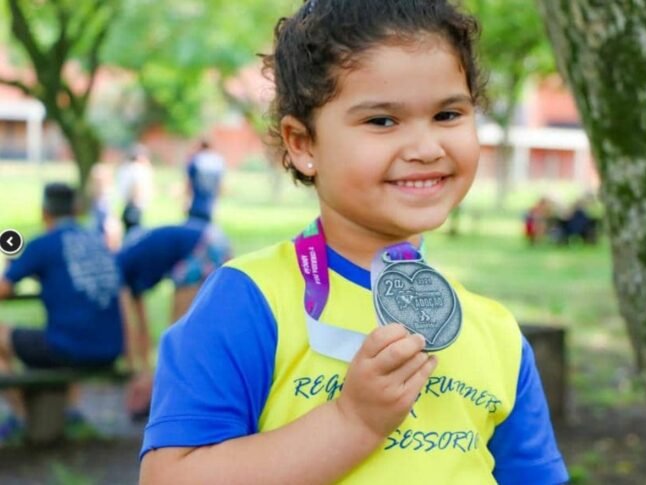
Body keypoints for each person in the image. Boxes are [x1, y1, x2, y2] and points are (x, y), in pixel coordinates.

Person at [140, 1, 568, 484]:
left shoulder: (497, 335)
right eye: (382, 121)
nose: (426, 149)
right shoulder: (249, 301)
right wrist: (352, 422)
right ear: (302, 144)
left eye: (448, 114)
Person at [0, 183, 124, 443]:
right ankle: (72, 412)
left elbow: (4, 286)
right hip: (112, 348)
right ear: (77, 209)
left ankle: (21, 417)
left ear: (44, 212)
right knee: (70, 325)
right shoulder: (97, 241)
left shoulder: (44, 244)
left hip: (72, 349)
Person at [116, 219, 231, 418]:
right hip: (213, 239)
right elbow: (141, 326)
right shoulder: (130, 265)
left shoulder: (120, 271)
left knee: (179, 334)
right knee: (190, 332)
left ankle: (173, 399)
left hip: (201, 247)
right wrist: (143, 368)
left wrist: (139, 371)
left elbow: (131, 327)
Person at [117, 144, 155, 234]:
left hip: (128, 205)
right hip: (134, 206)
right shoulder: (137, 169)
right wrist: (136, 202)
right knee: (134, 233)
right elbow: (137, 186)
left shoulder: (126, 168)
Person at [185, 139, 225, 222]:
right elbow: (219, 184)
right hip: (209, 203)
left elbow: (189, 182)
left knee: (193, 224)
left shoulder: (196, 160)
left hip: (196, 202)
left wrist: (186, 201)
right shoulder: (217, 161)